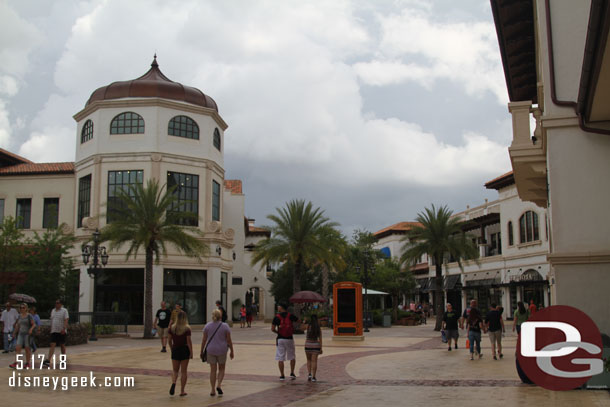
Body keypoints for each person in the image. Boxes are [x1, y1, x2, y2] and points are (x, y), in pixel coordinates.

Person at [201, 309, 234, 396]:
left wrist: (201, 350)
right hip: (222, 349)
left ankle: (212, 390)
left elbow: (204, 340)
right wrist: (232, 351)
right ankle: (219, 384)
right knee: (222, 368)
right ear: (221, 316)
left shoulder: (207, 326)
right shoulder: (225, 326)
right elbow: (229, 340)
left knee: (213, 370)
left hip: (211, 349)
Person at [168, 310, 192, 397]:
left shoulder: (172, 328)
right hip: (184, 349)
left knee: (175, 370)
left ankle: (174, 382)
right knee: (184, 371)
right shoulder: (187, 328)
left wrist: (171, 347)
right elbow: (189, 341)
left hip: (175, 349)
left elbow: (169, 340)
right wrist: (191, 352)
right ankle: (182, 390)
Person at [272, 302, 298, 380]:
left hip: (280, 339)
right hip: (289, 338)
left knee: (280, 357)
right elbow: (298, 321)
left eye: (278, 306)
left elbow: (272, 329)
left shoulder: (276, 317)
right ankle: (292, 373)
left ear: (281, 307)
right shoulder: (291, 316)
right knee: (292, 356)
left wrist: (278, 332)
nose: (277, 307)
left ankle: (282, 375)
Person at [9, 304, 35, 368]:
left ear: (26, 308)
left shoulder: (29, 316)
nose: (22, 309)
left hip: (27, 334)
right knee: (18, 348)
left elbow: (34, 324)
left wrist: (31, 329)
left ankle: (28, 363)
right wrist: (14, 333)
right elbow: (18, 325)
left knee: (27, 349)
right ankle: (16, 362)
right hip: (20, 333)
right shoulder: (19, 316)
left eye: (23, 308)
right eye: (21, 308)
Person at [45, 299, 69, 366]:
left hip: (61, 330)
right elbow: (52, 320)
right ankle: (48, 360)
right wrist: (51, 328)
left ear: (61, 304)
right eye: (56, 303)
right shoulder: (53, 311)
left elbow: (66, 319)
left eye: (58, 303)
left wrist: (64, 328)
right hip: (54, 330)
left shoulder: (64, 311)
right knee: (52, 344)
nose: (56, 304)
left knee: (62, 345)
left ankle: (63, 359)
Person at [304, 314, 323, 382]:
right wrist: (321, 348)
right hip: (316, 345)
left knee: (308, 360)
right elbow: (320, 339)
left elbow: (301, 328)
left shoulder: (308, 326)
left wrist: (304, 321)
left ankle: (309, 374)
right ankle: (314, 376)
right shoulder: (318, 328)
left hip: (308, 345)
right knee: (314, 361)